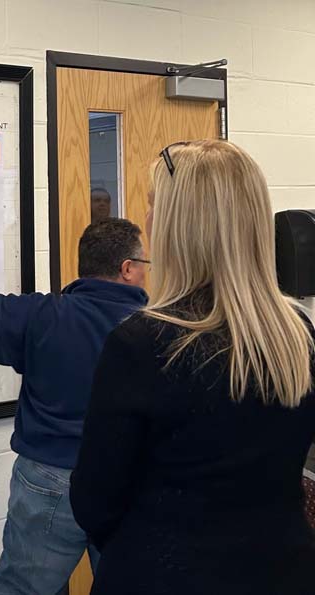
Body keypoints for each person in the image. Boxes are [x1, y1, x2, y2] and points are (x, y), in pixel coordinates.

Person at [70, 140, 315, 594]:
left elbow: (93, 502)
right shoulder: (297, 333)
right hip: (282, 569)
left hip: (165, 573)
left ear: (176, 226)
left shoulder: (142, 344)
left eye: (152, 207)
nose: (147, 220)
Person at [0, 218, 150, 595]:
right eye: (145, 263)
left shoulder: (44, 316)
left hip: (47, 480)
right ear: (127, 269)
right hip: (127, 483)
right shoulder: (158, 330)